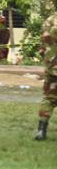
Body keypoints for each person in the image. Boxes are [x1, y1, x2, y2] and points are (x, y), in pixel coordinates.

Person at [34, 8, 57, 140]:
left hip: (51, 67)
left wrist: (48, 60)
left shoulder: (49, 21)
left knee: (49, 98)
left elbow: (42, 47)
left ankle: (41, 131)